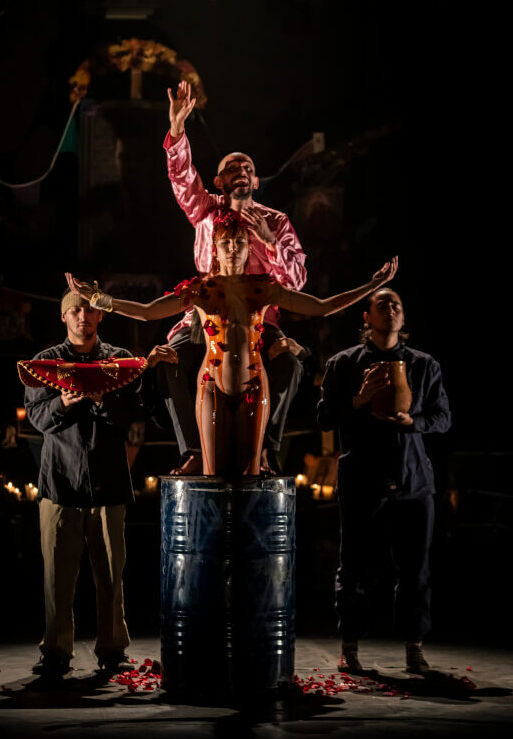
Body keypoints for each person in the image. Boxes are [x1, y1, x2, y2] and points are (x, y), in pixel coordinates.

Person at [66, 212, 397, 476]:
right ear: (215, 249)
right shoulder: (200, 289)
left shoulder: (264, 288)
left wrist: (373, 285)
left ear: (249, 246)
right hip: (211, 384)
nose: (235, 248)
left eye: (241, 242)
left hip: (254, 382)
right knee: (213, 473)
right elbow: (147, 312)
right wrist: (98, 298)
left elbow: (323, 306)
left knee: (251, 472)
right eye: (227, 243)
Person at [25, 289, 177, 677]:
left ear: (100, 317)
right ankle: (56, 649)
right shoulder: (47, 363)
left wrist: (98, 399)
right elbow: (38, 418)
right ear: (64, 317)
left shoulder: (117, 360)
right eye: (75, 310)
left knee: (111, 572)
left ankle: (112, 647)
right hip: (60, 481)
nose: (83, 317)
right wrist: (65, 403)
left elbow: (131, 414)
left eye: (90, 310)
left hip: (108, 483)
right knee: (58, 575)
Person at [160, 80, 308, 476]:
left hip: (260, 319)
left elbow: (295, 284)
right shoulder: (206, 211)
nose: (241, 171)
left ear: (257, 183)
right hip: (208, 314)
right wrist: (177, 130)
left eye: (248, 168)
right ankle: (193, 449)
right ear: (220, 182)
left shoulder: (275, 221)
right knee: (172, 357)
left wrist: (270, 243)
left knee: (290, 367)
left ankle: (265, 449)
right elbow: (182, 181)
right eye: (231, 168)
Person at [317, 288, 451, 675]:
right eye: (382, 304)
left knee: (415, 569)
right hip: (362, 479)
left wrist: (416, 423)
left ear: (403, 319)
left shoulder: (425, 365)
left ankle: (414, 647)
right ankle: (350, 647)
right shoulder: (344, 364)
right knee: (354, 565)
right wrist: (358, 401)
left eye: (397, 305)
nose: (390, 309)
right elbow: (324, 416)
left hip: (413, 481)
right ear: (366, 318)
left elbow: (444, 417)